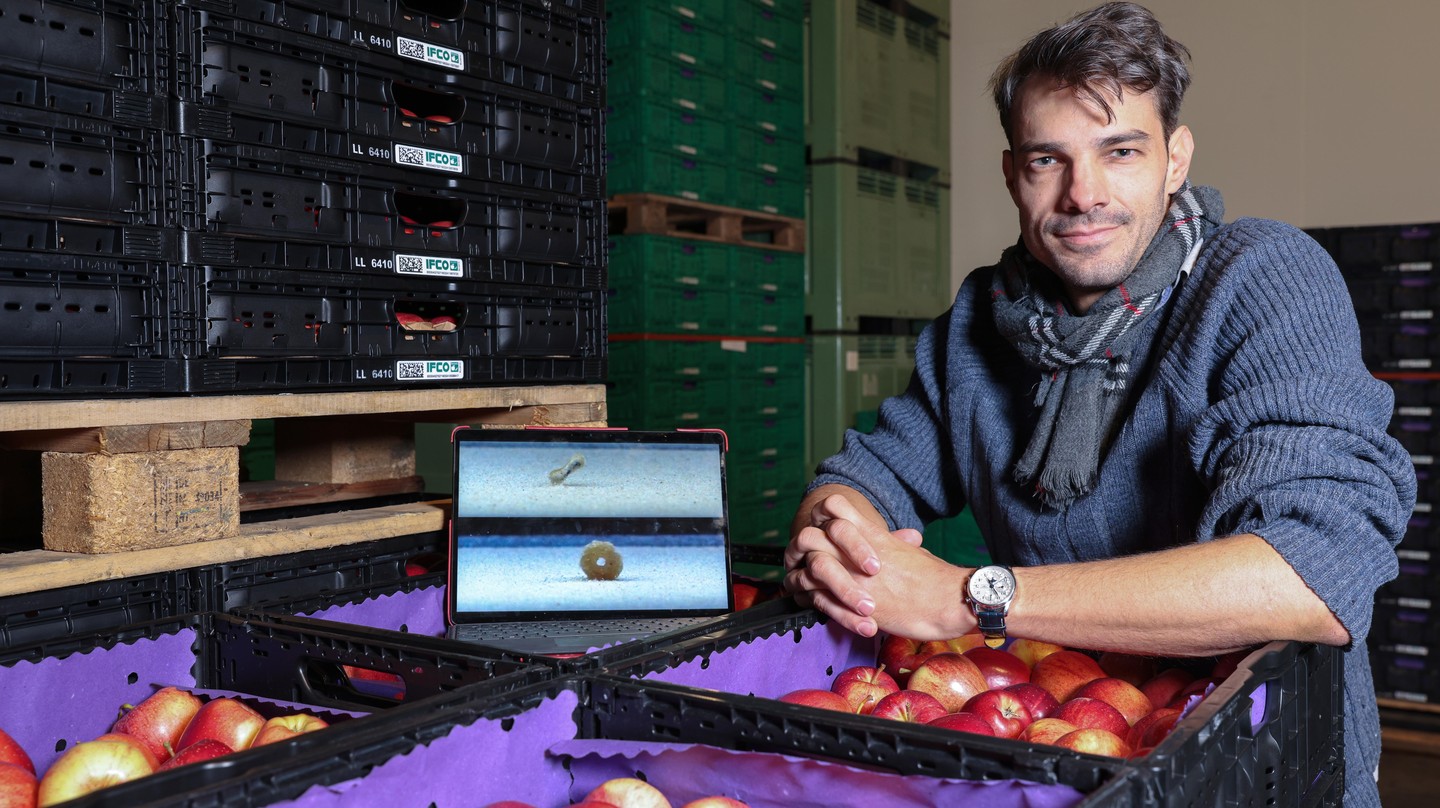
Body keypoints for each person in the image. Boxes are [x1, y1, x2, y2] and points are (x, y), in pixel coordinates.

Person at [782, 3, 1415, 805]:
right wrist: (837, 544)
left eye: (1120, 151)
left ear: (1174, 159)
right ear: (1013, 173)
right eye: (1050, 158)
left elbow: (1306, 580)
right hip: (1060, 762)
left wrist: (970, 597)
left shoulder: (1263, 280)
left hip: (1264, 767)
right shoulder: (980, 322)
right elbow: (859, 479)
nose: (1084, 194)